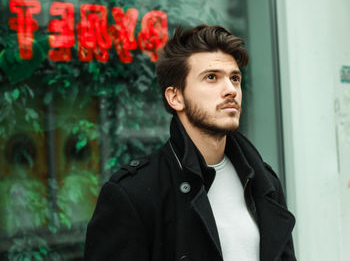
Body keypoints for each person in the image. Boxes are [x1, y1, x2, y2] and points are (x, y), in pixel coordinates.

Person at [84, 25, 296, 261]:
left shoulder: (262, 181)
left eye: (234, 78)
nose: (230, 90)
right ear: (175, 97)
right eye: (211, 77)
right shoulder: (133, 193)